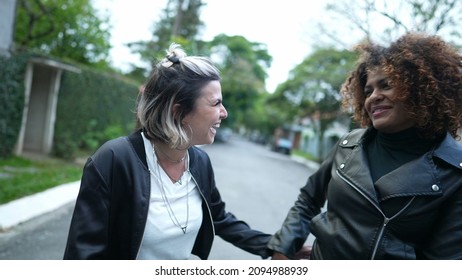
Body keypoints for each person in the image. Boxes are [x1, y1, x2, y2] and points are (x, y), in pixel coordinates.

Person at [63, 43, 272, 260]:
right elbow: (83, 254)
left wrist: (275, 246)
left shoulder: (200, 162)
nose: (224, 113)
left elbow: (218, 217)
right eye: (216, 103)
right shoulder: (115, 159)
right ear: (179, 112)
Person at [268, 32, 462, 259]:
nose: (373, 97)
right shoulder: (348, 145)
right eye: (368, 91)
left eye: (386, 86)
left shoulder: (454, 170)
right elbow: (308, 199)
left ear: (422, 90)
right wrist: (282, 248)